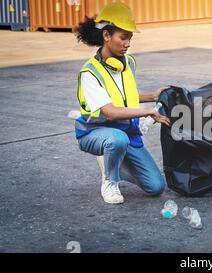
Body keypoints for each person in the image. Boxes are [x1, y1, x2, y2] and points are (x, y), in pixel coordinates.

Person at [73, 3, 171, 204]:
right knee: (116, 139)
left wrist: (154, 96)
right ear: (107, 36)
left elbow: (128, 97)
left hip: (127, 134)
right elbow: (109, 112)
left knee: (155, 187)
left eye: (130, 38)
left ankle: (115, 161)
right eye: (123, 37)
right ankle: (109, 180)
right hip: (94, 132)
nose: (127, 44)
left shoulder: (129, 63)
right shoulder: (90, 73)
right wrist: (146, 113)